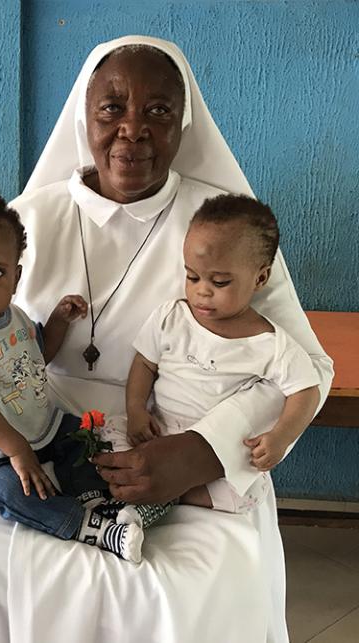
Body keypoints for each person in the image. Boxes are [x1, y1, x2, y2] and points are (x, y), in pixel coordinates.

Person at [0, 36, 333, 643]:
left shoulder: (224, 227)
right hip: (36, 437)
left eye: (158, 111)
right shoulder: (26, 216)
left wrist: (202, 452)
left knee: (195, 586)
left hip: (175, 443)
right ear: (86, 118)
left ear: (183, 126)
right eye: (112, 109)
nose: (133, 130)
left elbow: (306, 365)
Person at [0, 186, 145, 562]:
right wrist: (18, 451)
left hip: (31, 424)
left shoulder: (14, 316)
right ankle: (86, 526)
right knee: (10, 489)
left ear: (15, 278)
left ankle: (93, 498)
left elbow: (37, 355)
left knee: (79, 434)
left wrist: (58, 320)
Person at [101, 193, 320, 528]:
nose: (202, 291)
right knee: (105, 443)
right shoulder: (172, 317)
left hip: (206, 453)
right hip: (156, 429)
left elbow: (306, 391)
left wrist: (280, 437)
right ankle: (144, 494)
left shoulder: (270, 344)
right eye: (192, 277)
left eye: (219, 282)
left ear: (260, 278)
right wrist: (135, 410)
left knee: (245, 493)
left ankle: (171, 495)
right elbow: (144, 364)